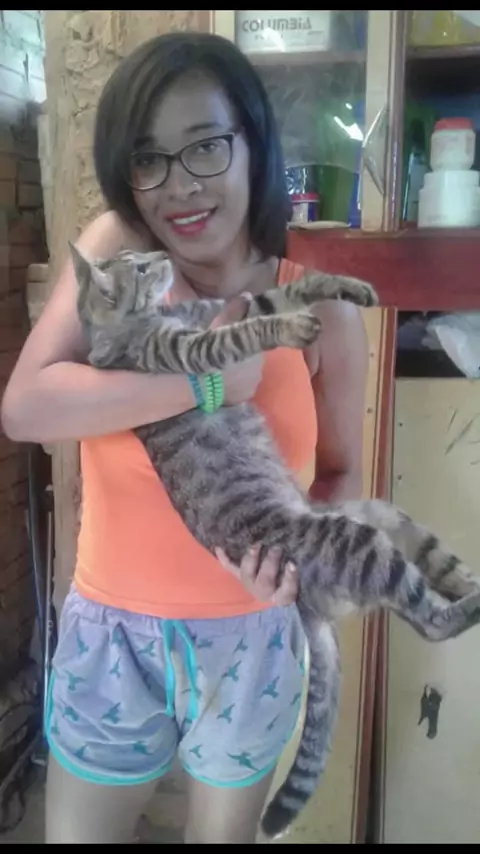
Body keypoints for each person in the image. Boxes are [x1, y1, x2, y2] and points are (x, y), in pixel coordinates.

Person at [1, 32, 369, 844]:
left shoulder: (321, 306)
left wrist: (307, 572)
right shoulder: (117, 260)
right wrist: (204, 381)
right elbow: (26, 408)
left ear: (253, 142)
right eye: (149, 159)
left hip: (254, 637)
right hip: (110, 634)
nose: (180, 186)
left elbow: (340, 473)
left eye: (206, 146)